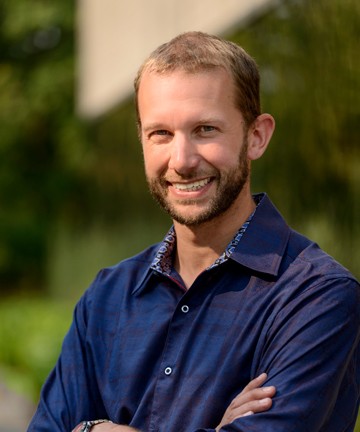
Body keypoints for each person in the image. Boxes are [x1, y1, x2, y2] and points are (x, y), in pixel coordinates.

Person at [28, 31, 360, 432]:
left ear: (257, 136)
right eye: (161, 134)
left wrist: (88, 429)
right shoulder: (106, 298)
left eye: (205, 129)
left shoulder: (317, 297)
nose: (181, 160)